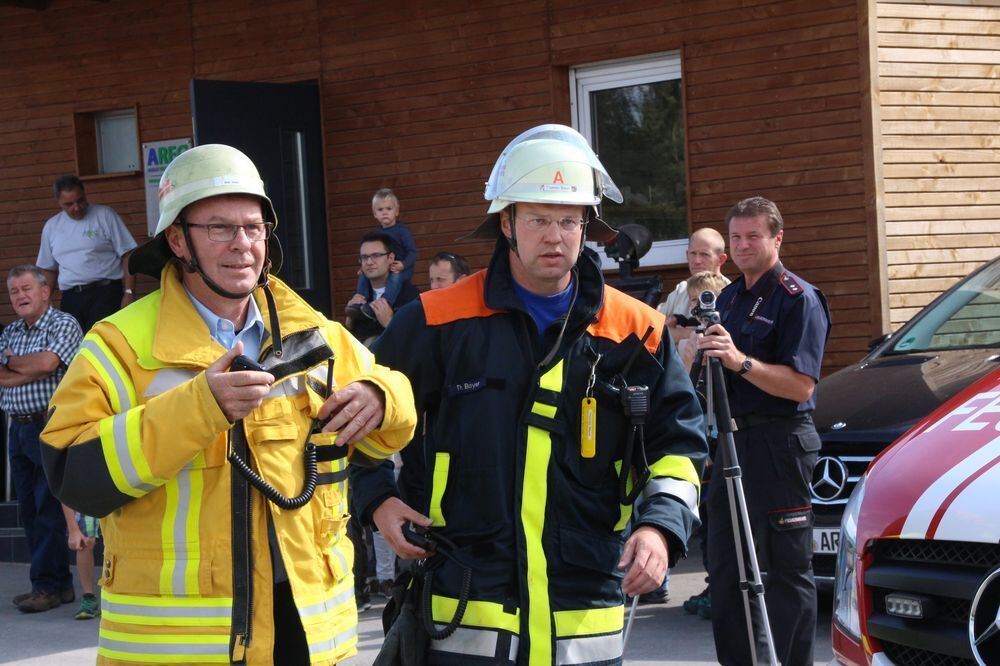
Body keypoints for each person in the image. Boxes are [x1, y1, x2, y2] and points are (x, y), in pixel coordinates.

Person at [40, 144, 417, 665]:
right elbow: (72, 475)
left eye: (254, 227)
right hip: (177, 649)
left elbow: (395, 412)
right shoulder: (118, 344)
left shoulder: (315, 333)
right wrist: (198, 409)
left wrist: (382, 396)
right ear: (177, 240)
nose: (243, 244)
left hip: (303, 633)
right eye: (220, 228)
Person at [354, 124, 707, 665]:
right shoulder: (435, 320)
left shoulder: (637, 331)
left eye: (569, 220)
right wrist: (376, 499)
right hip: (467, 616)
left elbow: (679, 448)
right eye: (539, 219)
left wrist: (661, 528)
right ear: (506, 223)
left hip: (585, 619)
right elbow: (363, 415)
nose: (555, 235)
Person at [695, 196, 831, 666]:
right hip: (733, 442)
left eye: (754, 235)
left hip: (780, 442)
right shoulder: (729, 298)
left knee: (785, 570)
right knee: (726, 567)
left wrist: (740, 361)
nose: (744, 244)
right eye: (736, 237)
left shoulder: (799, 299)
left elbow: (799, 385)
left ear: (777, 239)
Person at [0, 265, 82, 613]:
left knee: (49, 508)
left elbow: (49, 363)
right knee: (29, 510)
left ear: (45, 292)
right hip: (17, 430)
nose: (20, 296)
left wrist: (13, 363)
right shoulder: (11, 330)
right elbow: (2, 378)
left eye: (26, 289)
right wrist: (24, 367)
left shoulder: (64, 324)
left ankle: (47, 587)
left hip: (48, 426)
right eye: (14, 292)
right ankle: (55, 584)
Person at [36, 175, 138, 332]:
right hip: (71, 297)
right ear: (59, 203)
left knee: (103, 343)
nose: (76, 207)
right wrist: (45, 301)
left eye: (80, 200)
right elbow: (49, 269)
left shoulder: (105, 215)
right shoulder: (51, 227)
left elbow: (128, 254)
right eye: (69, 204)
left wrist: (129, 292)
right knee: (74, 346)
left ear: (85, 194)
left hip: (106, 292)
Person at [350, 188, 417, 320]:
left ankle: (385, 302)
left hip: (400, 268)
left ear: (396, 212)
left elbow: (413, 252)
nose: (385, 213)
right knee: (363, 274)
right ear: (375, 214)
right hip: (388, 267)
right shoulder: (377, 233)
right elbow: (370, 255)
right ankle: (360, 300)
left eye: (389, 209)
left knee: (395, 278)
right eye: (380, 210)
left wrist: (403, 265)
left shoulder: (402, 231)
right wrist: (363, 267)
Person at [344, 231, 420, 345]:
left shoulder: (412, 298)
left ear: (391, 258)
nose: (369, 262)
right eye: (364, 257)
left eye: (376, 255)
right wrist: (350, 320)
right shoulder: (359, 297)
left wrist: (390, 323)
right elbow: (350, 346)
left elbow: (419, 344)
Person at [658, 227, 729, 346]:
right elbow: (653, 328)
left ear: (721, 259)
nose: (697, 260)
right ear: (687, 255)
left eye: (704, 254)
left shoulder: (730, 293)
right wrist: (686, 333)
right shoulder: (681, 290)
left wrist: (678, 333)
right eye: (693, 253)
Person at [62, 506, 101, 619]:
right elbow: (65, 490)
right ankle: (89, 597)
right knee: (84, 541)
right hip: (87, 498)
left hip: (119, 494)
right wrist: (73, 529)